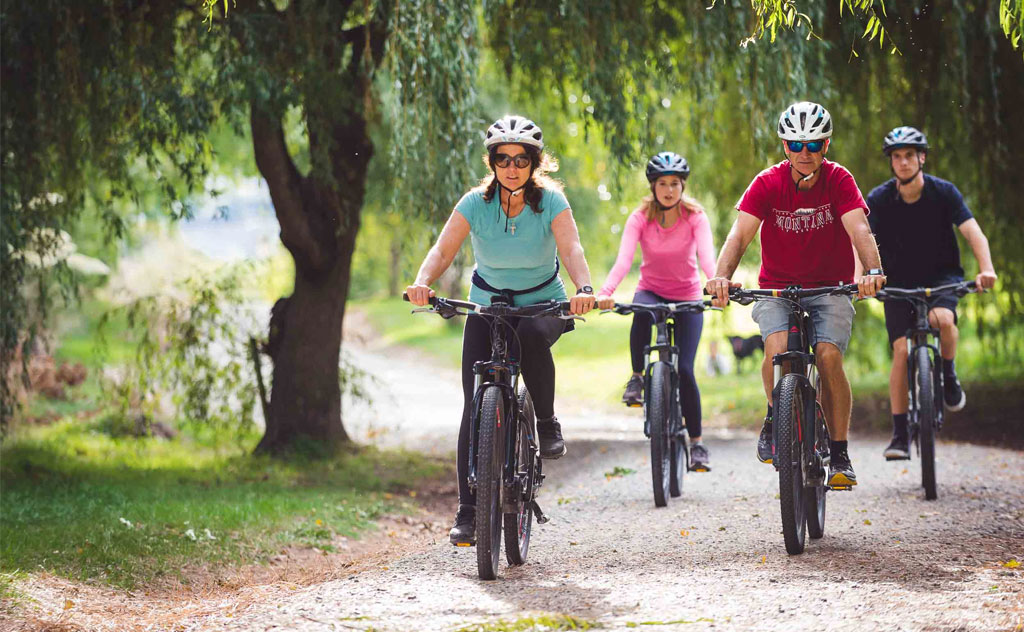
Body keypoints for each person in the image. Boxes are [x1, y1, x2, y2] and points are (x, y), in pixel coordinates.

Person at [406, 115, 597, 546]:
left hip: (542, 302)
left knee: (530, 337)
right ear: (492, 162)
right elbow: (442, 249)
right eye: (503, 158)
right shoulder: (475, 202)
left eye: (521, 159)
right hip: (488, 304)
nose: (512, 167)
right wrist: (423, 283)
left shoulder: (551, 202)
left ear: (535, 163)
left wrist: (584, 288)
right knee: (474, 404)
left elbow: (571, 247)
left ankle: (546, 422)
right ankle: (468, 511)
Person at [705, 101, 886, 489]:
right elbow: (739, 236)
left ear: (826, 145)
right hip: (778, 287)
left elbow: (860, 230)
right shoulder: (767, 183)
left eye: (814, 144)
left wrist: (871, 271)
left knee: (827, 355)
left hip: (829, 288)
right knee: (775, 350)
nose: (805, 153)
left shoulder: (839, 180)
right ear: (785, 146)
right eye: (796, 144)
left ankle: (839, 451)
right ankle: (777, 415)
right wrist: (721, 277)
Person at [866, 126, 998, 460]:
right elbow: (861, 242)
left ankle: (949, 375)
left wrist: (987, 269)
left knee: (943, 320)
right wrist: (861, 278)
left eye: (909, 155)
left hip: (941, 277)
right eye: (897, 157)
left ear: (921, 157)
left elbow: (974, 233)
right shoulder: (879, 199)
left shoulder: (944, 192)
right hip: (895, 282)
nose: (904, 162)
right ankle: (899, 435)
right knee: (900, 351)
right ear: (891, 163)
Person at [596, 152, 717, 471]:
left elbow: (707, 259)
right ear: (653, 186)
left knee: (687, 370)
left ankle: (697, 444)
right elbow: (624, 261)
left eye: (674, 184)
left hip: (688, 295)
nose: (668, 190)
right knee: (640, 311)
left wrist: (717, 284)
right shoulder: (640, 217)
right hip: (651, 290)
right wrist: (605, 293)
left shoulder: (695, 217)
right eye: (662, 183)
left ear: (683, 186)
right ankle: (637, 377)